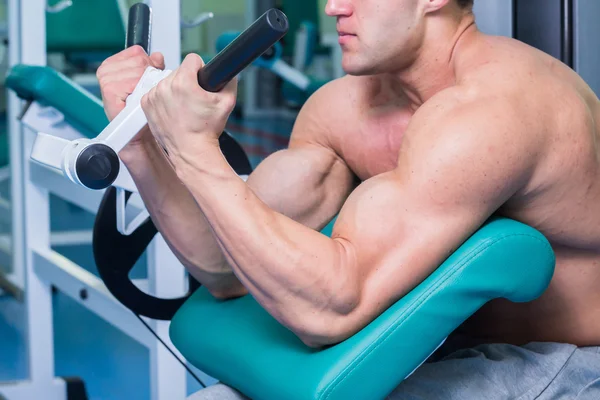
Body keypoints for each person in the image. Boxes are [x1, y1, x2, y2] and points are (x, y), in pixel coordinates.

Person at [97, 0, 600, 398]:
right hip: (427, 349)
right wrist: (139, 142)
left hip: (567, 363)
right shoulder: (343, 108)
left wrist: (194, 151)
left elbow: (331, 312)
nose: (334, 6)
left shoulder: (494, 112)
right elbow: (224, 265)